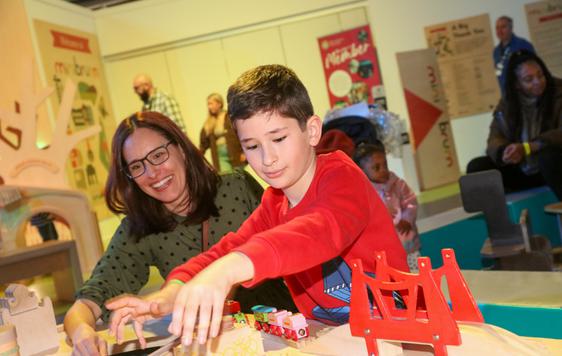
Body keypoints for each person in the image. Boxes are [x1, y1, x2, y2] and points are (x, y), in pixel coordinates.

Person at [106, 64, 408, 347]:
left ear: (312, 130)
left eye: (278, 138)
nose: (268, 158)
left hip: (400, 328)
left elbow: (318, 230)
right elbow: (229, 247)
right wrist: (172, 293)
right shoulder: (274, 202)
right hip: (337, 338)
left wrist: (229, 270)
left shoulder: (342, 177)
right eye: (252, 146)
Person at [63, 111, 295, 355]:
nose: (152, 173)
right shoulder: (140, 228)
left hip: (281, 334)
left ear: (181, 149)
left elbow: (291, 243)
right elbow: (89, 300)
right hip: (212, 345)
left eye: (158, 155)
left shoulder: (235, 187)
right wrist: (81, 332)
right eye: (137, 166)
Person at [467, 50, 562, 200]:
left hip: (553, 166)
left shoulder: (559, 92)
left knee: (548, 157)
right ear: (517, 84)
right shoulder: (507, 104)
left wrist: (530, 147)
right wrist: (505, 152)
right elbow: (494, 138)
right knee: (477, 167)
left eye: (540, 75)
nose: (538, 81)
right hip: (524, 169)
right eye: (529, 79)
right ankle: (498, 219)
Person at [354, 142, 421, 273]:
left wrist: (407, 219)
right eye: (376, 168)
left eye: (385, 164)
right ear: (363, 171)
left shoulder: (398, 183)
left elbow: (411, 201)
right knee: (392, 273)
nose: (383, 170)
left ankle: (419, 289)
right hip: (383, 246)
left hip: (406, 239)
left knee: (415, 271)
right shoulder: (365, 191)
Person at [199, 93, 245, 172]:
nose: (209, 107)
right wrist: (198, 156)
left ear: (219, 103)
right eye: (208, 104)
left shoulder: (229, 117)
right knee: (227, 177)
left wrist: (244, 152)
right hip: (220, 156)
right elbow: (203, 143)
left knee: (239, 176)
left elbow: (241, 133)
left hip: (235, 153)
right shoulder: (208, 123)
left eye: (211, 103)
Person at [493, 16, 535, 94]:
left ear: (511, 28)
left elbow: (533, 70)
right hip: (507, 95)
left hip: (525, 95)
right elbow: (499, 74)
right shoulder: (496, 52)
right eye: (497, 28)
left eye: (503, 27)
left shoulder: (523, 45)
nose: (499, 31)